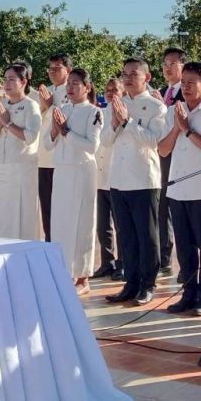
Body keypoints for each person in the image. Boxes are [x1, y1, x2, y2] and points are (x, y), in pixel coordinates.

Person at [158, 62, 201, 316]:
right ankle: (188, 292)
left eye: (191, 83)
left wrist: (187, 129)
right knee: (184, 247)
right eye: (183, 83)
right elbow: (163, 149)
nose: (185, 88)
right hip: (177, 188)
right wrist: (177, 127)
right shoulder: (174, 111)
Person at [103, 57, 167, 306]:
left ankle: (148, 284)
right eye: (125, 74)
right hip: (118, 178)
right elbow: (105, 141)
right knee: (126, 235)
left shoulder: (155, 106)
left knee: (146, 235)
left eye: (134, 74)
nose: (128, 79)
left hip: (143, 179)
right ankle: (130, 282)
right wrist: (115, 122)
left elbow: (154, 141)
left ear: (147, 77)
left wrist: (127, 122)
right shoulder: (117, 104)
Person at [43, 68, 102, 294]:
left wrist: (66, 131)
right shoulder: (62, 109)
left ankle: (83, 277)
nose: (70, 87)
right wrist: (55, 131)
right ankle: (64, 271)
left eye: (76, 83)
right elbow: (47, 144)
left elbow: (91, 146)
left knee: (82, 223)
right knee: (61, 223)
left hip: (82, 171)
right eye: (69, 83)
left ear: (87, 87)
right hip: (62, 170)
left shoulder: (94, 112)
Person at [0, 62, 42, 241]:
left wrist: (8, 123)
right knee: (4, 214)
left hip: (23, 168)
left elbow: (31, 137)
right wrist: (0, 123)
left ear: (23, 82)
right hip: (3, 166)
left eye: (12, 79)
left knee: (24, 213)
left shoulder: (31, 106)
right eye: (5, 79)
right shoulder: (0, 105)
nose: (7, 83)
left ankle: (25, 251)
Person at [155, 47, 187, 277]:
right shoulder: (160, 92)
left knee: (177, 206)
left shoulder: (187, 92)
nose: (167, 68)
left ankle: (183, 262)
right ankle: (163, 256)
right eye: (165, 64)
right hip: (159, 153)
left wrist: (165, 107)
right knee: (161, 205)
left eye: (173, 63)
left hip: (181, 155)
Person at [36, 54, 72, 241]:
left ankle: (64, 247)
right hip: (44, 158)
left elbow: (65, 120)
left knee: (63, 209)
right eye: (50, 68)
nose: (52, 72)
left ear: (68, 70)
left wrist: (49, 106)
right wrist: (44, 106)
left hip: (63, 159)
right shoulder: (44, 92)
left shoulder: (72, 92)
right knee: (47, 210)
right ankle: (49, 245)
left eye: (57, 68)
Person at [93, 77, 123, 279]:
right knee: (103, 225)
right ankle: (106, 262)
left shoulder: (125, 114)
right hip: (100, 174)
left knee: (120, 225)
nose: (111, 93)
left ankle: (122, 263)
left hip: (117, 175)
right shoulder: (99, 113)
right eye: (108, 90)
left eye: (115, 90)